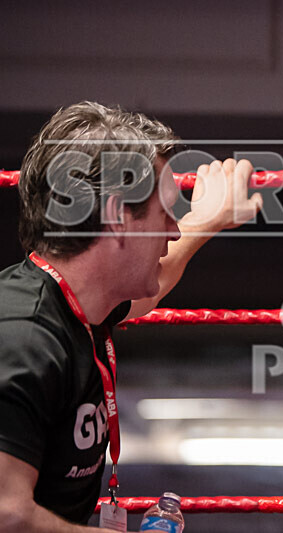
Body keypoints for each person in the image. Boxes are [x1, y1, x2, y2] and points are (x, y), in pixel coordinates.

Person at [0, 101, 263, 531]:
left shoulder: (79, 309)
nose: (174, 229)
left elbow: (153, 285)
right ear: (118, 217)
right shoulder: (22, 337)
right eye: (165, 213)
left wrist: (206, 220)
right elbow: (7, 515)